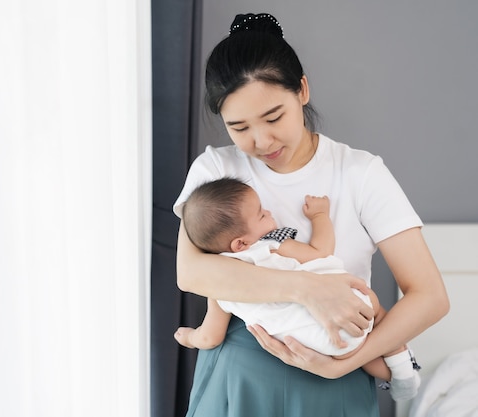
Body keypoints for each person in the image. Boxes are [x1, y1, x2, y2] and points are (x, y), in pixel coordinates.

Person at [173, 12, 448, 417]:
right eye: (238, 127)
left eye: (273, 117)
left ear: (302, 90)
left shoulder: (359, 172)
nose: (261, 141)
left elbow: (430, 296)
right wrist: (308, 290)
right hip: (239, 373)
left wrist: (346, 364)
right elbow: (192, 273)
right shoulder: (216, 170)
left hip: (336, 373)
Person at [174, 177, 421, 401]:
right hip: (351, 304)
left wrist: (189, 337)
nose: (268, 212)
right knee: (377, 315)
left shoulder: (220, 285)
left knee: (351, 352)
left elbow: (210, 337)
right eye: (261, 215)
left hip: (315, 346)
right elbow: (321, 250)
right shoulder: (270, 246)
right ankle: (402, 374)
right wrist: (320, 216)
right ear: (241, 243)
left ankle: (398, 377)